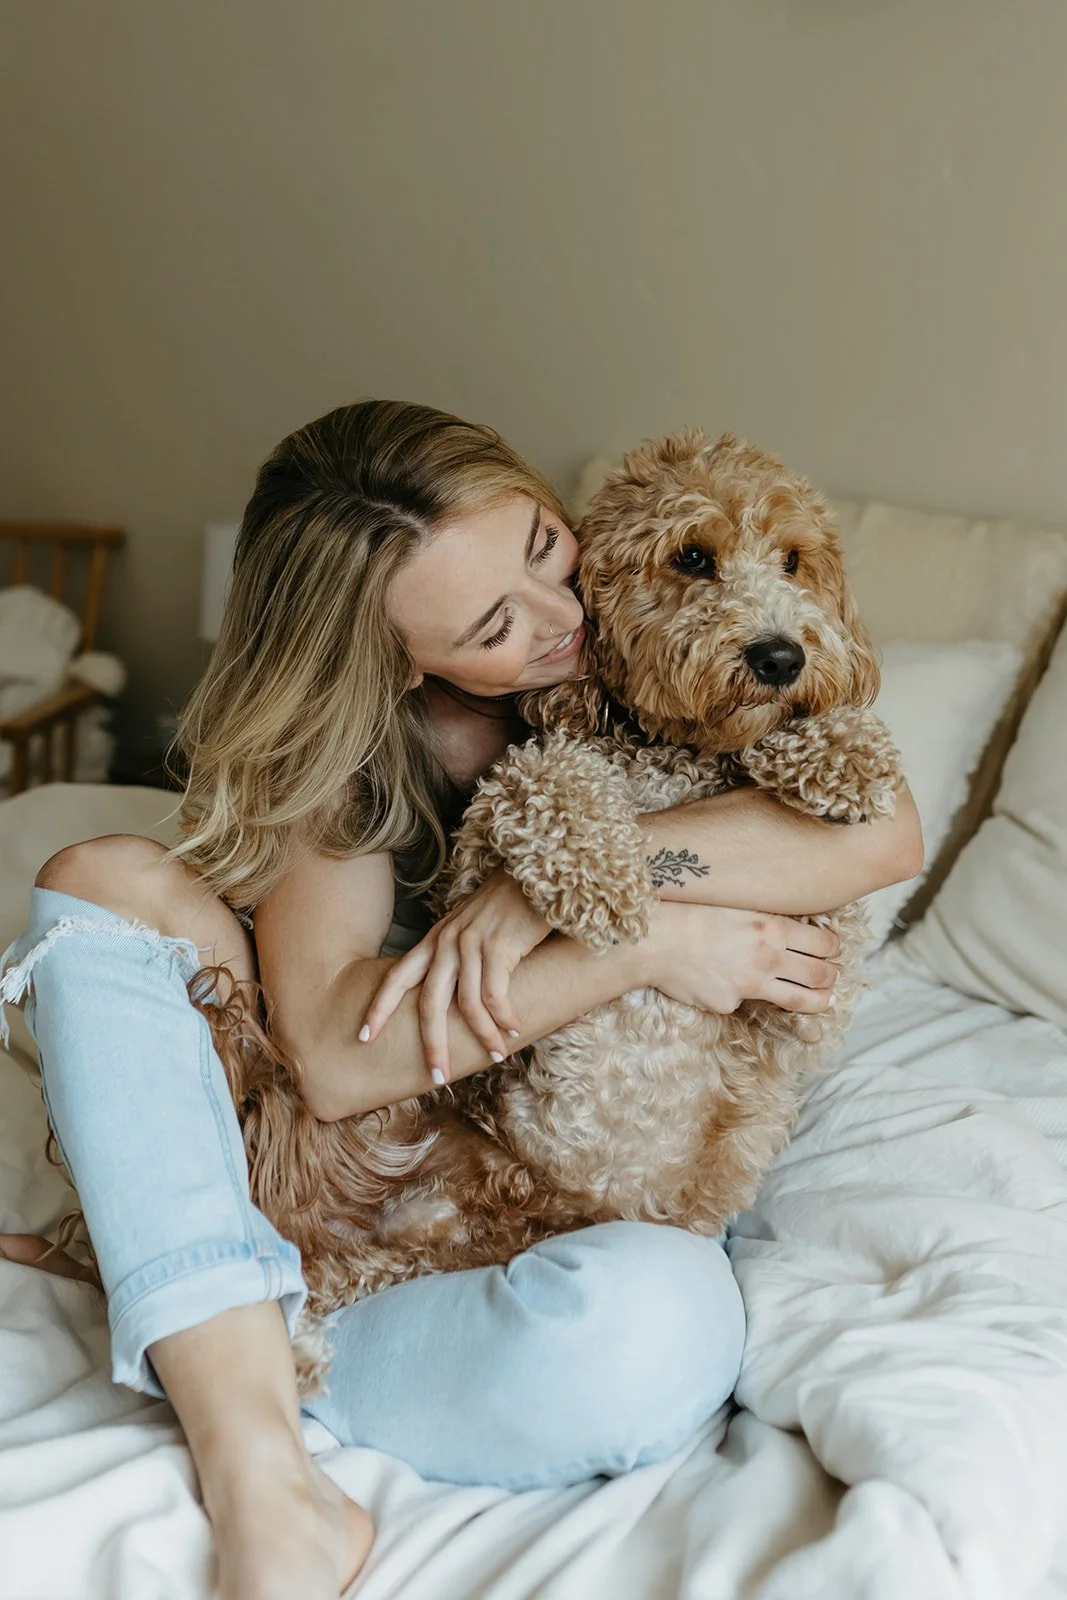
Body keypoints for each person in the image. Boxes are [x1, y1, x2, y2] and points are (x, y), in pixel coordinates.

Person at [0, 401, 922, 1600]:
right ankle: (259, 1470)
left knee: (664, 1318)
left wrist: (571, 886)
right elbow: (331, 1059)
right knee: (96, 877)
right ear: (400, 656)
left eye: (548, 551)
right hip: (357, 1174)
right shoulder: (356, 748)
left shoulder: (672, 643)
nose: (565, 621)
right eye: (496, 625)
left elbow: (877, 831)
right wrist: (631, 952)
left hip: (517, 1225)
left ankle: (217, 1323)